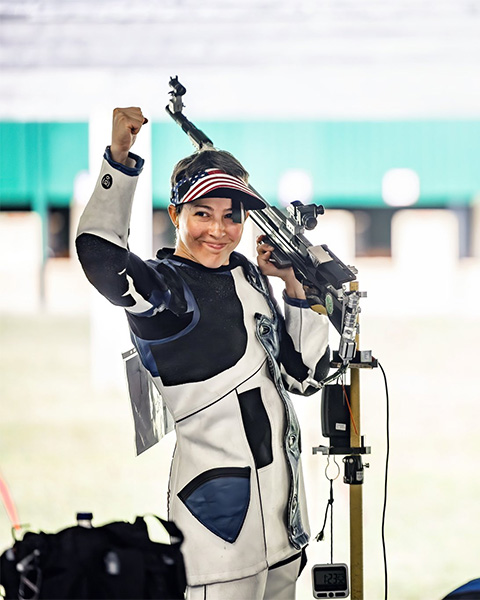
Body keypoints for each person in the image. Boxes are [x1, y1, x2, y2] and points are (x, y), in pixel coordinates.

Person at [76, 107, 330, 599]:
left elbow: (303, 375)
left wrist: (296, 284)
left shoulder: (248, 276)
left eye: (232, 217)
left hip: (284, 528)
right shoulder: (163, 290)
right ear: (175, 215)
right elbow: (100, 257)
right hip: (218, 533)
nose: (220, 230)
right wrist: (120, 162)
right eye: (203, 214)